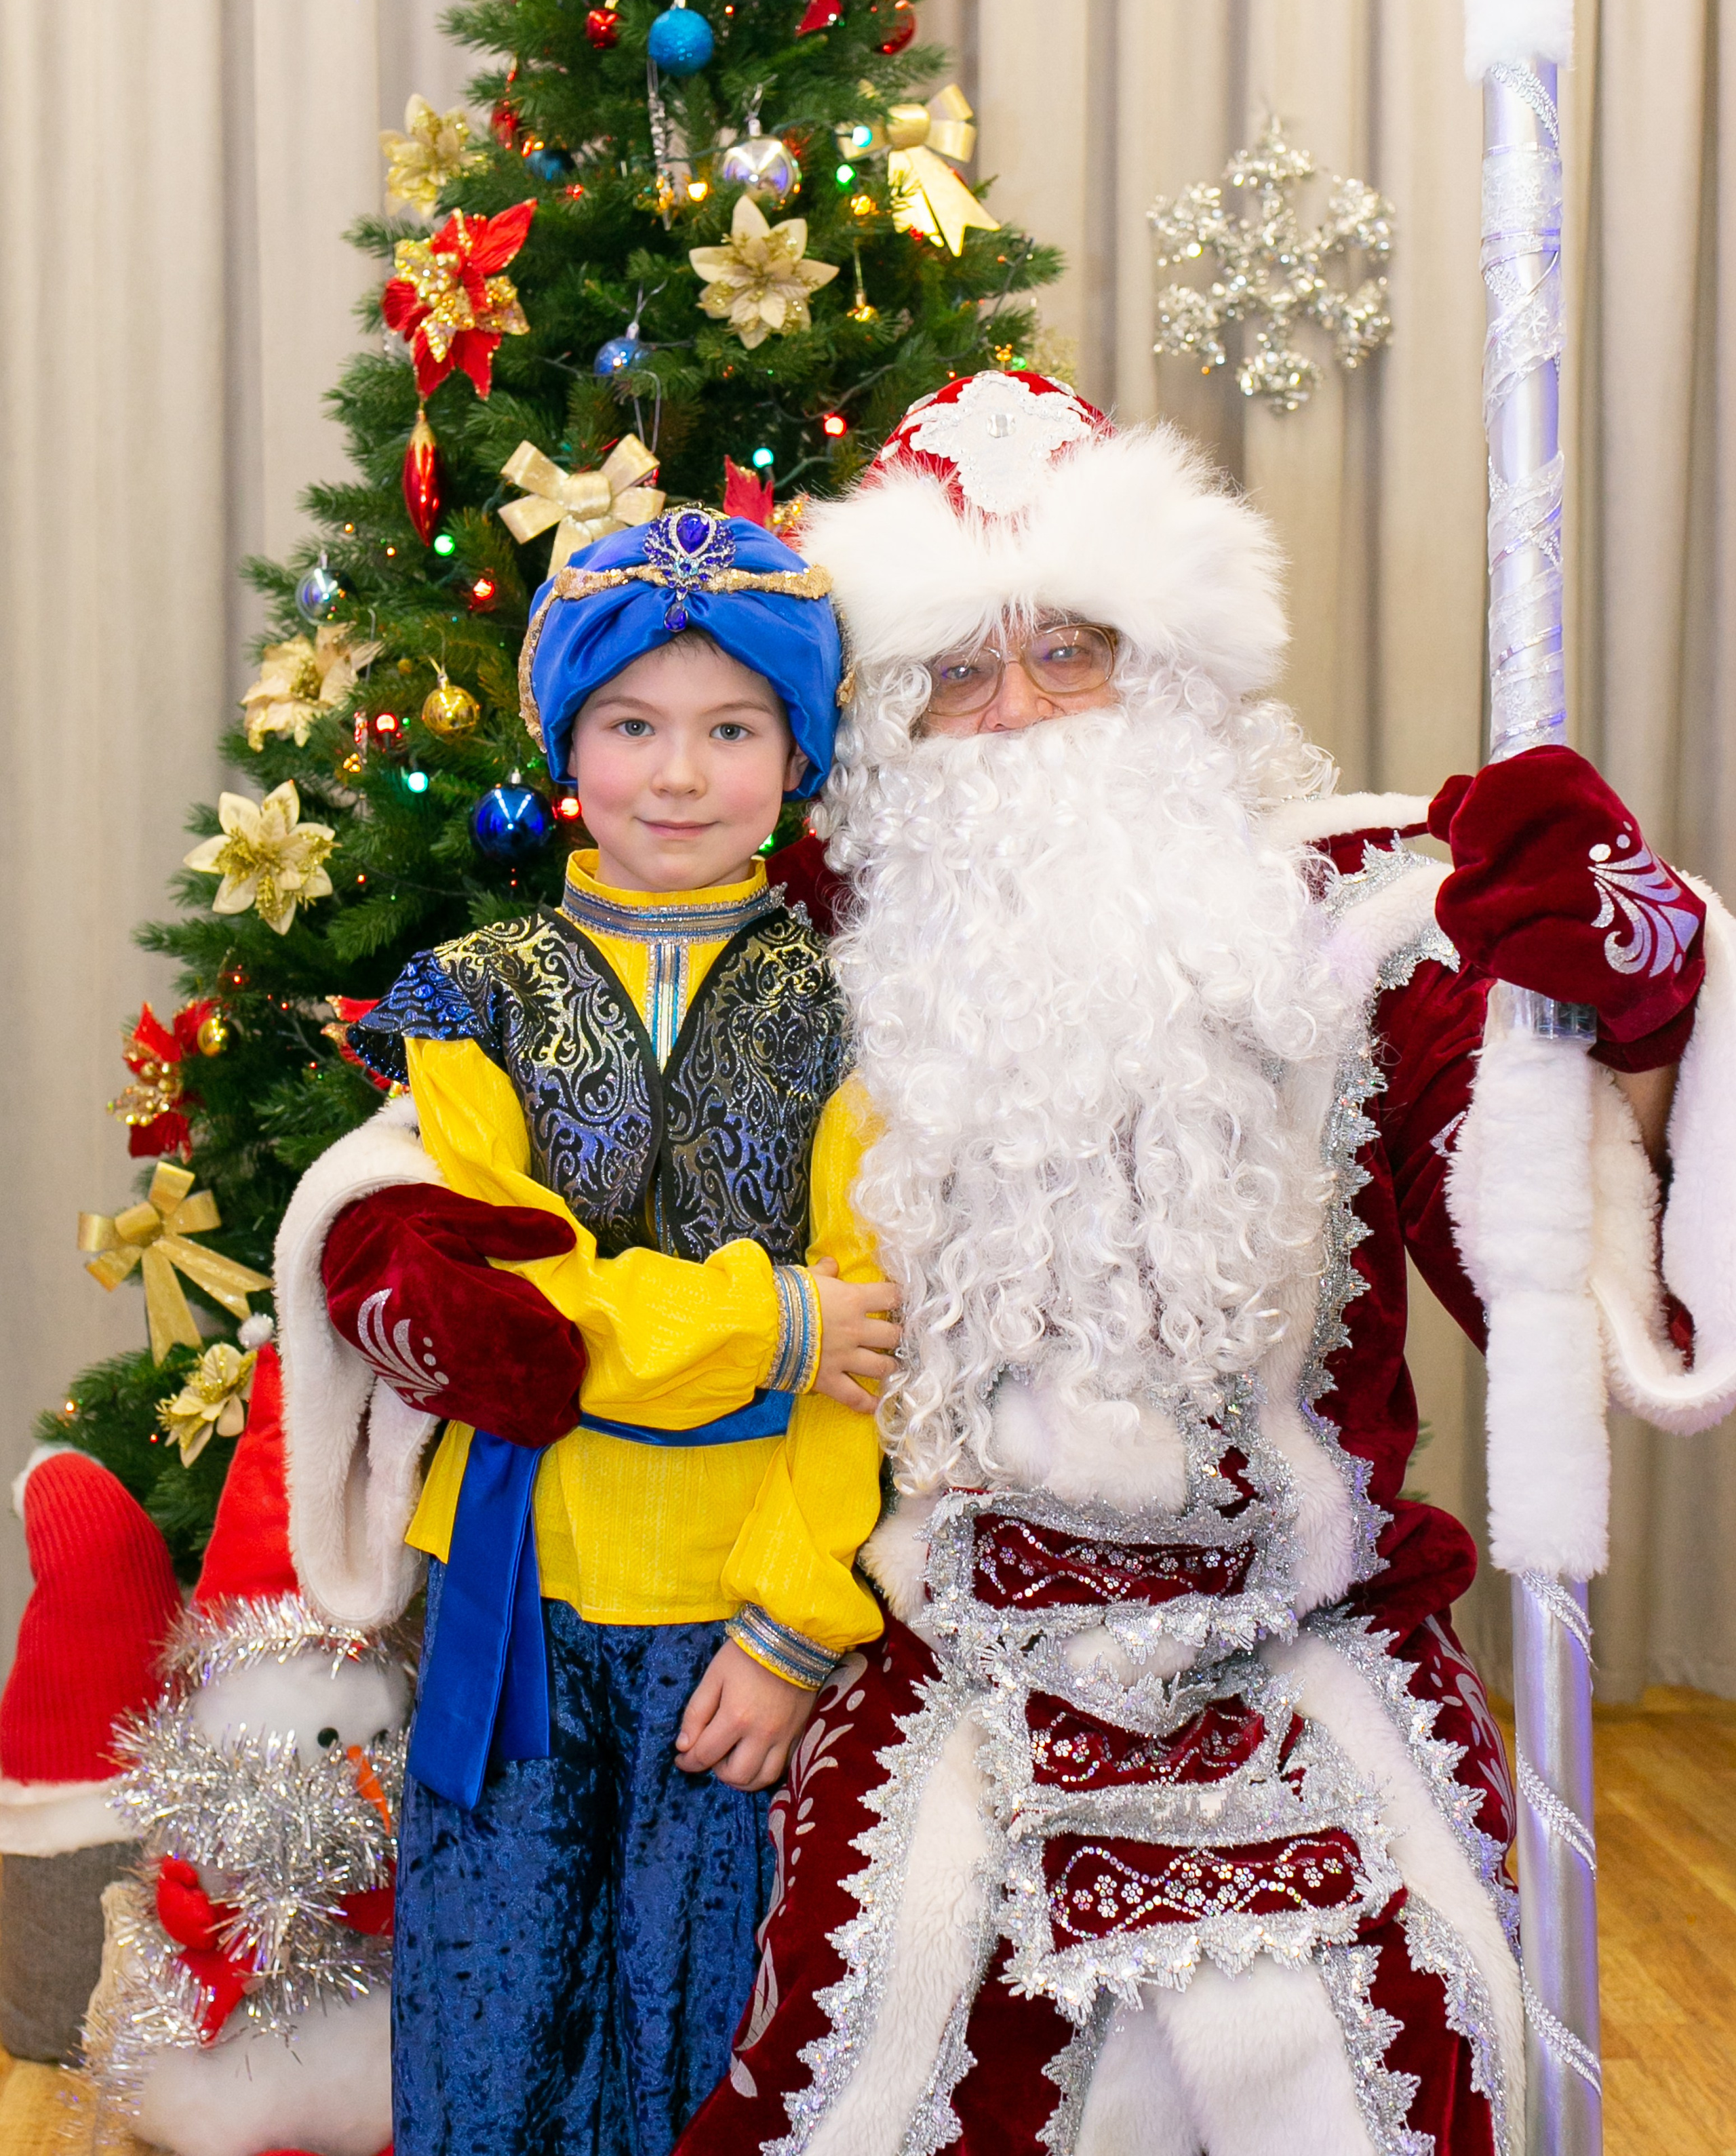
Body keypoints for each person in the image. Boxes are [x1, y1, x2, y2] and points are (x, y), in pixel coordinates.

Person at [671, 370, 1736, 2156]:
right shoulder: (809, 969)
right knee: (876, 2033)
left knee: (1411, 2046)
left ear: (1169, 666)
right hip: (954, 1658)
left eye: (1069, 650)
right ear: (880, 729)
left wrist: (1626, 1002)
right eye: (953, 670)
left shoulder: (1357, 919)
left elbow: (1561, 1264)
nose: (1014, 716)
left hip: (1311, 1647)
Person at [273, 507, 894, 2156]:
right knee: (493, 2009)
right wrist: (771, 1321)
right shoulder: (467, 998)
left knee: (703, 2025)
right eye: (632, 726)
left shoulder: (866, 1002)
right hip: (518, 1591)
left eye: (729, 729)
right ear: (568, 744)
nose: (677, 775)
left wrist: (790, 1621)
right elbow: (512, 1309)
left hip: (740, 1606)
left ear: (797, 752)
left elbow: (885, 1340)